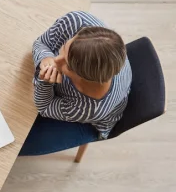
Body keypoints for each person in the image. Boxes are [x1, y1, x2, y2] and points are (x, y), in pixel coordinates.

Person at [19, 11, 132, 156]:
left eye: (67, 65)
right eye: (64, 47)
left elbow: (45, 106)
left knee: (18, 144)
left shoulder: (88, 109)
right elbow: (41, 43)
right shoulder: (77, 21)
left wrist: (44, 82)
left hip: (89, 122)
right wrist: (45, 58)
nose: (56, 60)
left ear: (84, 78)